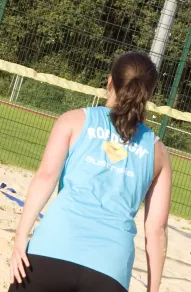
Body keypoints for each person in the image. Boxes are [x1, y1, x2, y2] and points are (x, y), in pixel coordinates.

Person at [9, 52, 171, 292]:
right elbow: (156, 231)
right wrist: (153, 289)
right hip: (110, 269)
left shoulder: (73, 120)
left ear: (109, 82)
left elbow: (45, 178)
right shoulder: (158, 151)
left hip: (51, 249)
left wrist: (21, 236)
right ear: (148, 95)